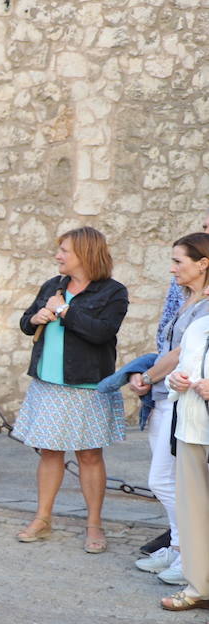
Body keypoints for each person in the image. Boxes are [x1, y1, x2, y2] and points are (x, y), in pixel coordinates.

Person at [13, 227, 129, 554]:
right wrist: (36, 317)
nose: (58, 256)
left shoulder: (113, 292)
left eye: (64, 251)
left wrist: (65, 311)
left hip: (87, 386)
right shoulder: (53, 285)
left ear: (85, 254)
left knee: (89, 455)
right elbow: (25, 323)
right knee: (49, 451)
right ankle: (42, 518)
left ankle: (94, 524)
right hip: (48, 383)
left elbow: (102, 332)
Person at [127, 234, 209, 585]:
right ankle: (179, 547)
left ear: (203, 263)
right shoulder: (190, 299)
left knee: (169, 479)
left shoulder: (205, 307)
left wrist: (148, 375)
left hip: (189, 403)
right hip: (170, 397)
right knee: (168, 478)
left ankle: (191, 554)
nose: (173, 268)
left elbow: (179, 355)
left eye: (179, 261)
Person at [162, 311, 209, 612]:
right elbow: (178, 371)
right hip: (191, 430)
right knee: (193, 514)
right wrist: (174, 381)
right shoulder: (198, 326)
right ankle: (199, 587)